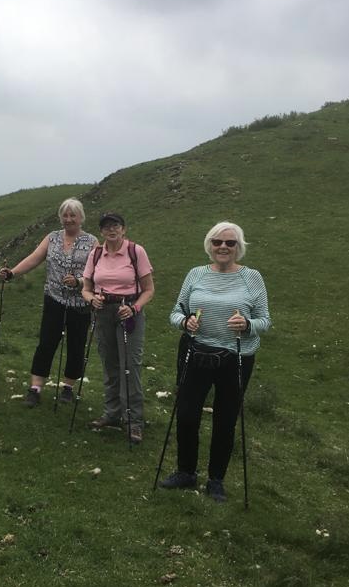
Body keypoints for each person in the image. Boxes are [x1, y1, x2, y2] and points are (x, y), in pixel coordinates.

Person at [159, 220, 271, 502]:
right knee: (186, 414)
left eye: (230, 243)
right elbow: (175, 312)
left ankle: (216, 480)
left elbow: (265, 321)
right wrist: (185, 322)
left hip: (237, 356)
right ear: (209, 245)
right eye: (218, 242)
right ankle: (185, 471)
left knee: (225, 418)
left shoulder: (251, 278)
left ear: (238, 247)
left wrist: (246, 324)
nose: (223, 247)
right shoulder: (196, 274)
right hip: (195, 351)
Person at [0, 198, 97, 407]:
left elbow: (98, 271)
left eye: (73, 215)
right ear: (60, 217)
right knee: (46, 342)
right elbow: (34, 258)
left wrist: (79, 282)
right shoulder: (51, 238)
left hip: (81, 303)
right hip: (54, 298)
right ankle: (35, 388)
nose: (69, 219)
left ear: (81, 218)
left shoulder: (92, 242)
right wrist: (12, 273)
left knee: (76, 345)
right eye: (65, 215)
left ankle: (68, 388)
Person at [81, 212, 155, 444]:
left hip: (128, 310)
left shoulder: (136, 251)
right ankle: (111, 414)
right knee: (109, 363)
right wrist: (90, 299)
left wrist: (135, 309)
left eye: (116, 226)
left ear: (124, 229)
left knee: (129, 365)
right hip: (103, 312)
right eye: (106, 227)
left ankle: (134, 421)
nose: (111, 230)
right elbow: (86, 287)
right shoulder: (95, 254)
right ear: (101, 232)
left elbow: (149, 289)